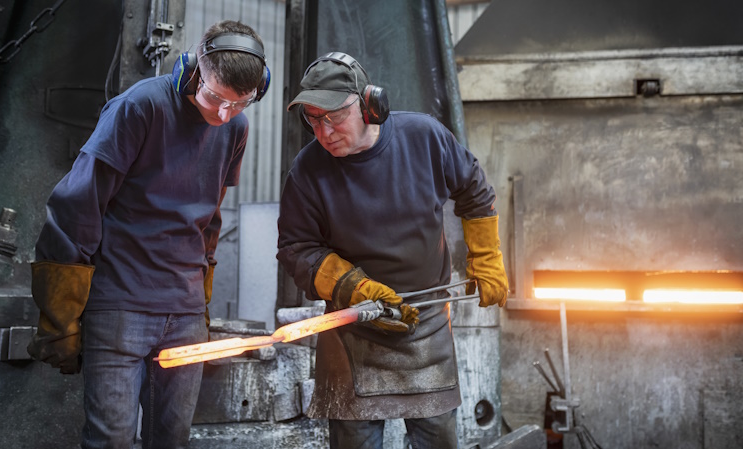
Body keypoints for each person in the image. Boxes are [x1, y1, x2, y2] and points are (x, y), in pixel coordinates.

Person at [26, 20, 269, 449]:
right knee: (113, 440)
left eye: (241, 103)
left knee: (171, 440)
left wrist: (201, 297)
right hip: (121, 305)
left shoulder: (235, 127)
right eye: (215, 97)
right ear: (191, 70)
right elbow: (78, 204)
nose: (223, 114)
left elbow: (210, 218)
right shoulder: (140, 107)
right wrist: (60, 314)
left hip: (185, 312)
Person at [276, 52, 509, 449]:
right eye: (313, 119)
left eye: (333, 116)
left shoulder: (425, 137)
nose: (324, 131)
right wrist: (353, 287)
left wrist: (486, 259)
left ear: (370, 106)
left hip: (428, 323)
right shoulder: (307, 171)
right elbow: (296, 249)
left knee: (437, 439)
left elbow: (474, 191)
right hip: (353, 329)